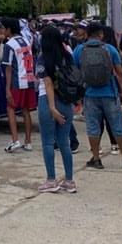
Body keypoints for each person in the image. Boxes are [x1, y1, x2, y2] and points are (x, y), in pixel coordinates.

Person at [74, 22, 122, 171]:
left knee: (93, 128)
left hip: (89, 94)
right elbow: (120, 72)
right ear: (101, 34)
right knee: (118, 127)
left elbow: (76, 72)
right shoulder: (110, 49)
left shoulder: (79, 50)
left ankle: (96, 159)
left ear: (87, 34)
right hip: (109, 92)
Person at [35, 25, 76, 193]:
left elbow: (48, 83)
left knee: (47, 142)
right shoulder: (68, 55)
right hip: (66, 101)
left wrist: (52, 108)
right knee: (64, 141)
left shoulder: (43, 58)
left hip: (48, 101)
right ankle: (69, 180)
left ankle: (51, 179)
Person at [1, 18, 35, 152]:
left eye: (4, 28)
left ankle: (15, 140)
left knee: (11, 108)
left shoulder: (9, 44)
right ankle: (28, 141)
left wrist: (7, 88)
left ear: (9, 29)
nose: (2, 30)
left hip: (17, 81)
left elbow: (8, 68)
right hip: (29, 78)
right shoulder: (26, 41)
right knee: (26, 110)